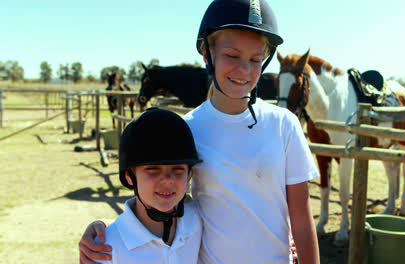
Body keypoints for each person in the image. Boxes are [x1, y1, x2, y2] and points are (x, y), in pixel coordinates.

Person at [79, 0, 320, 263]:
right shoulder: (188, 129)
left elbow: (301, 218)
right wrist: (107, 229)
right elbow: (160, 196)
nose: (244, 69)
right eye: (232, 55)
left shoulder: (284, 125)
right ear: (207, 54)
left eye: (255, 59)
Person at [91, 107, 203, 263]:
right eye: (153, 169)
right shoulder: (107, 248)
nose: (167, 180)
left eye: (178, 169)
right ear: (129, 176)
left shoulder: (197, 222)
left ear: (189, 174)